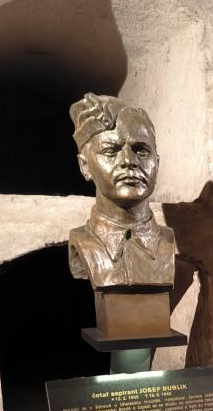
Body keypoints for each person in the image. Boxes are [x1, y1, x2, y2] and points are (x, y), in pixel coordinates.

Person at [68, 93, 175, 288]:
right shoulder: (83, 242)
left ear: (157, 164)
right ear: (85, 166)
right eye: (111, 151)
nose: (128, 161)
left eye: (141, 150)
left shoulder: (168, 244)